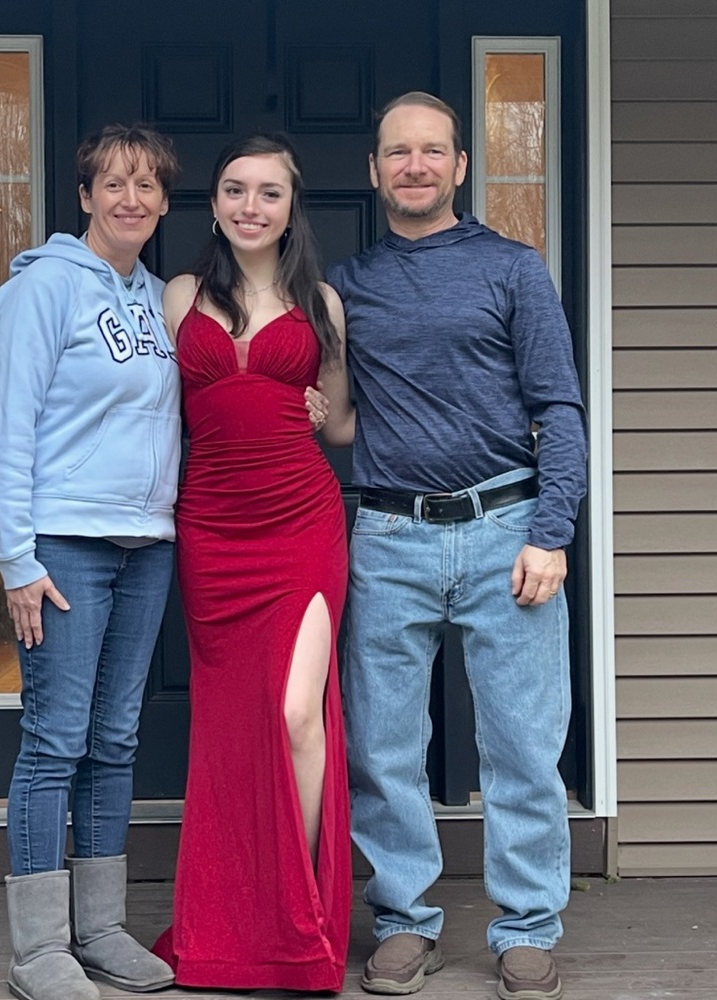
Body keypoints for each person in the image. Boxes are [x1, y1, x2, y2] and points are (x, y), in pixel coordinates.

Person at [321, 92, 587, 1000]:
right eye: (398, 152)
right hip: (389, 536)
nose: (416, 166)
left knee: (522, 745)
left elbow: (560, 408)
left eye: (433, 151)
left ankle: (527, 926)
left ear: (460, 166)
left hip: (506, 530)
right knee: (383, 746)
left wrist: (551, 534)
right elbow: (338, 412)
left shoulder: (514, 269)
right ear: (374, 170)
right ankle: (404, 919)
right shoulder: (347, 286)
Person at [0, 124, 183, 1000]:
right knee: (55, 739)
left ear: (164, 202)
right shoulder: (44, 288)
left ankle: (99, 928)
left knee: (114, 739)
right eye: (113, 183)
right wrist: (15, 559)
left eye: (146, 186)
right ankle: (39, 947)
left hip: (146, 547)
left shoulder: (157, 300)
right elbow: (9, 427)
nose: (130, 199)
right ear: (85, 196)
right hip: (64, 545)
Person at [151, 134, 354, 991]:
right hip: (212, 530)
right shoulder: (180, 295)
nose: (250, 206)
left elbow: (339, 426)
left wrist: (311, 406)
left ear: (291, 206)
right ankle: (235, 921)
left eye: (269, 192)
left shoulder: (322, 304)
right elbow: (146, 410)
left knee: (298, 713)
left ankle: (290, 914)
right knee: (231, 730)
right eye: (235, 190)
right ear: (214, 203)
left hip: (301, 524)